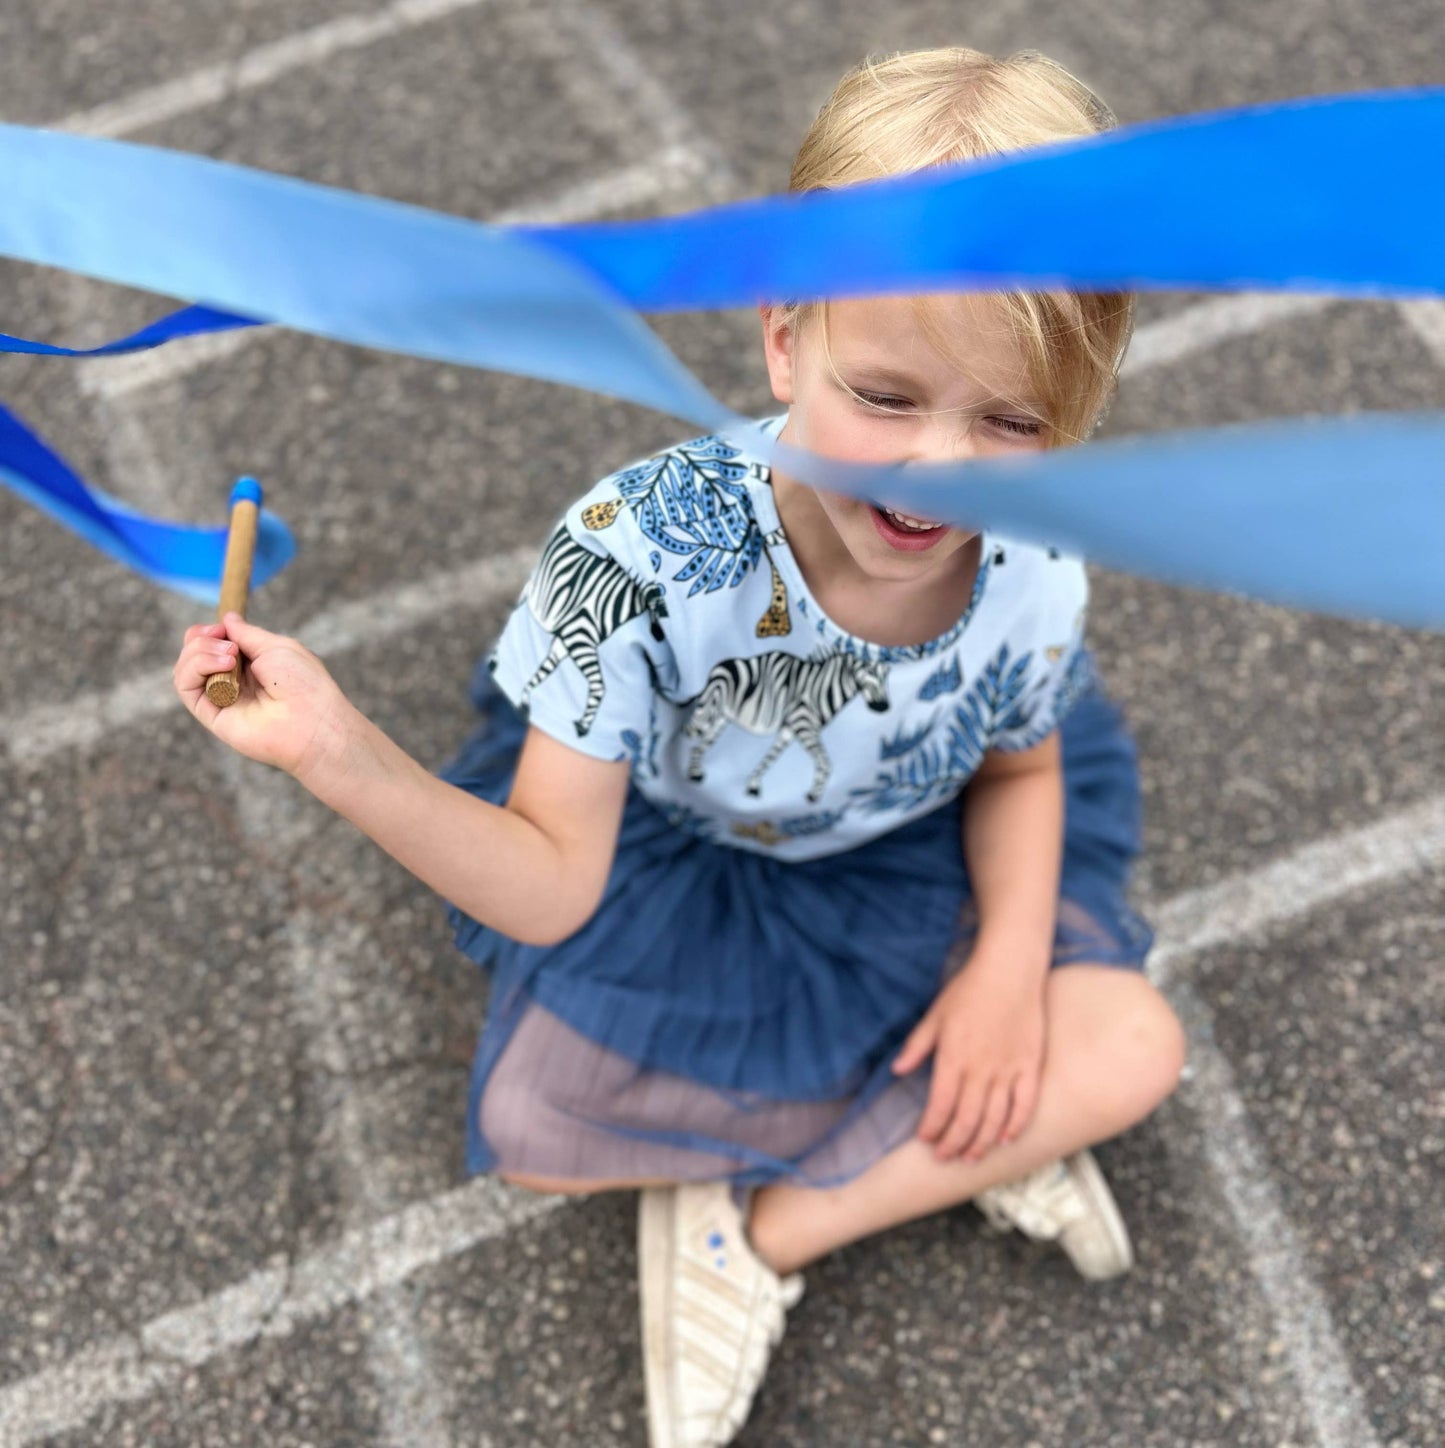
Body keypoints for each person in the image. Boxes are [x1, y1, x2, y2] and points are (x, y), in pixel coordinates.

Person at [173, 44, 1187, 1448]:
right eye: (885, 396)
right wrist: (336, 747)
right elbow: (548, 887)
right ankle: (949, 1137)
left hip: (907, 846)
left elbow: (1021, 760)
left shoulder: (1037, 550)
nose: (936, 468)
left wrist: (1011, 966)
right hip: (692, 859)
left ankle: (765, 1229)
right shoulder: (636, 558)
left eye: (1010, 422)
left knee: (1133, 1047)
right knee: (533, 1140)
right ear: (785, 336)